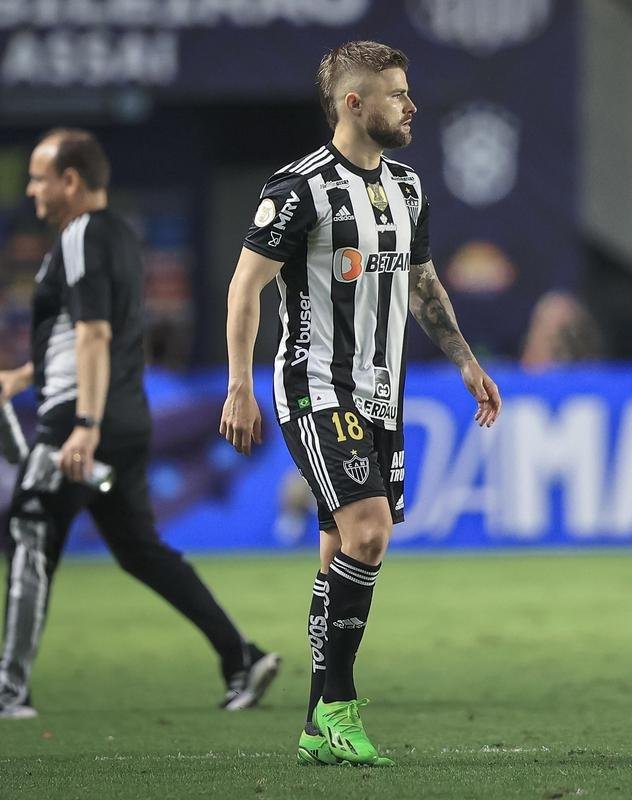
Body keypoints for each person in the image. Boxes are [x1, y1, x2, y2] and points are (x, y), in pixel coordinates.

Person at [220, 41, 502, 768]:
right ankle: (339, 706)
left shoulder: (407, 188)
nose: (410, 106)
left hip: (383, 393)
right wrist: (239, 386)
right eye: (397, 94)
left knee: (341, 552)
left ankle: (319, 726)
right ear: (354, 103)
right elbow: (245, 287)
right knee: (370, 531)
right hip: (316, 386)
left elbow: (424, 285)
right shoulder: (299, 189)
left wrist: (467, 362)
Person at [0, 129, 279, 721]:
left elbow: (96, 335)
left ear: (70, 181)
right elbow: (90, 336)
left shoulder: (78, 237)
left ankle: (8, 690)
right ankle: (241, 656)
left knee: (27, 529)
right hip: (127, 419)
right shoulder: (121, 237)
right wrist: (24, 376)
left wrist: (84, 424)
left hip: (84, 423)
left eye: (39, 177)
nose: (31, 190)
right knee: (140, 550)